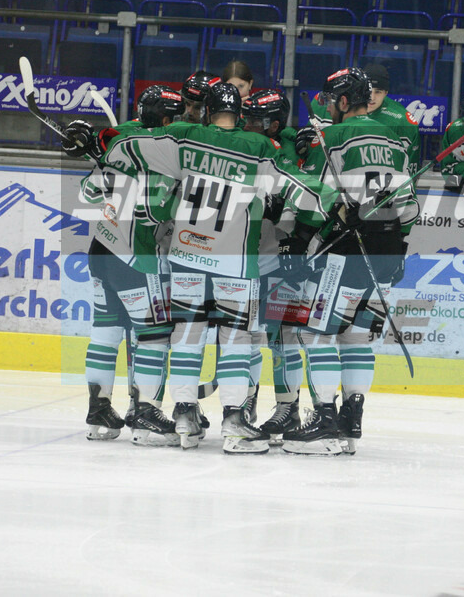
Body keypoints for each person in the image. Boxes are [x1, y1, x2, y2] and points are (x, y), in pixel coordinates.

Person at [108, 82, 335, 453]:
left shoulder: (185, 136)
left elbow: (131, 145)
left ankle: (184, 416)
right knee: (235, 341)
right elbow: (306, 191)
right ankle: (234, 423)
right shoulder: (259, 147)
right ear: (240, 115)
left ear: (207, 111)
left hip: (185, 258)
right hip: (234, 263)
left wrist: (100, 143)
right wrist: (328, 204)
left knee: (186, 336)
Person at [280, 67, 418, 455]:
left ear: (343, 101)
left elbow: (312, 196)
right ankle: (350, 421)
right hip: (388, 252)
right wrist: (395, 240)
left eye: (329, 100)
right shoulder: (394, 138)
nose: (326, 106)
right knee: (357, 338)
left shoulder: (332, 137)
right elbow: (409, 209)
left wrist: (298, 240)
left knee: (318, 333)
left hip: (346, 251)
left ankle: (324, 419)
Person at [63, 85, 184, 445]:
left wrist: (107, 170)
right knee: (154, 335)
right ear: (165, 119)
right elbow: (168, 211)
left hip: (101, 250)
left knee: (105, 333)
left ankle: (98, 411)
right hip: (136, 256)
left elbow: (86, 195)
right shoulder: (167, 154)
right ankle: (145, 412)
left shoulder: (119, 146)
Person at [241, 89, 306, 443]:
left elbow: (303, 202)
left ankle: (288, 407)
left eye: (256, 119)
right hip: (244, 261)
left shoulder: (288, 154)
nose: (248, 124)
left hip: (278, 259)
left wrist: (282, 213)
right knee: (247, 338)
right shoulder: (241, 147)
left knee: (283, 337)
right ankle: (246, 402)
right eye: (246, 117)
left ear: (275, 124)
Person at [362, 63, 422, 176]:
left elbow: (409, 173)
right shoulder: (344, 110)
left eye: (378, 92)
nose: (371, 97)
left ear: (386, 93)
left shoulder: (401, 122)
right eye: (368, 91)